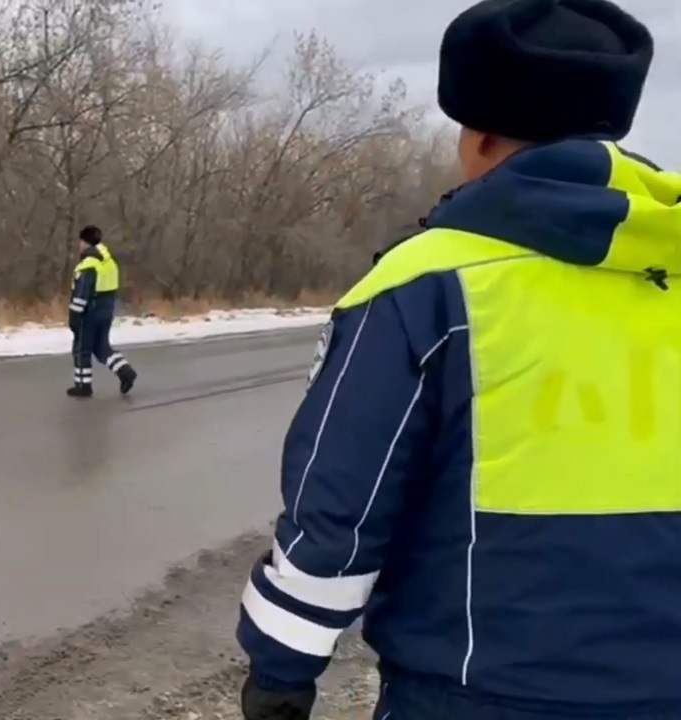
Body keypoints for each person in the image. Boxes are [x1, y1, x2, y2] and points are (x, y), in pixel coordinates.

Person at [235, 1, 681, 719]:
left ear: (477, 138)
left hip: (479, 696)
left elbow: (340, 510)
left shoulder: (426, 285)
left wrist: (280, 670)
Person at [67, 225, 137, 398]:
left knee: (81, 349)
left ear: (85, 242)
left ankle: (83, 386)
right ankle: (125, 371)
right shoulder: (109, 262)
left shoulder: (88, 264)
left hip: (89, 314)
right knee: (101, 347)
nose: (79, 246)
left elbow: (81, 294)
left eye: (80, 242)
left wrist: (74, 316)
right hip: (106, 312)